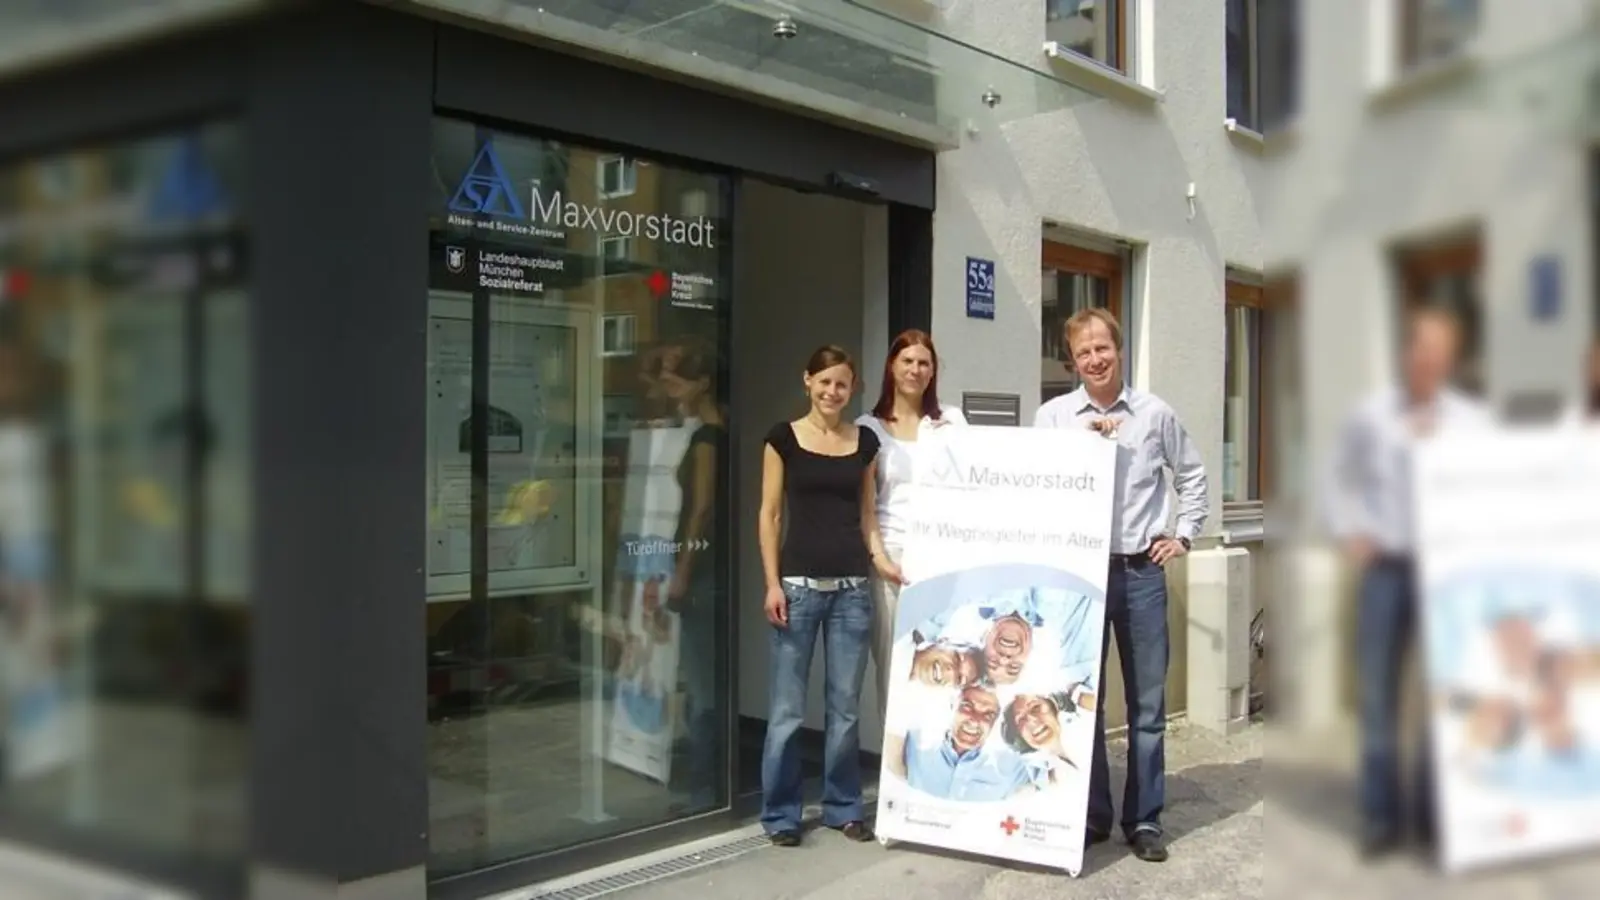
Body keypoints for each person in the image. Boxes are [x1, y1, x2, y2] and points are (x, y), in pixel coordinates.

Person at [1033, 307, 1209, 864]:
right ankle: (1090, 817)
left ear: (1119, 349)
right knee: (1083, 703)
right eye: (1083, 352)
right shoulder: (1055, 417)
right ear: (1072, 361)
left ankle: (1145, 820)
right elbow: (1034, 482)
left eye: (1102, 348)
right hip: (1079, 575)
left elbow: (1193, 475)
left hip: (1140, 574)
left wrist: (1183, 535)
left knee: (1148, 706)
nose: (1095, 359)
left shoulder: (1154, 415)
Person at [1325, 305, 1488, 859]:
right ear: (1408, 353)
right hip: (1387, 571)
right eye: (1424, 351)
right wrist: (1351, 531)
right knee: (1378, 696)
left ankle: (1433, 815)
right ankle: (1379, 816)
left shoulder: (1470, 421)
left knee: (1447, 697)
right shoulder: (1373, 415)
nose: (1431, 362)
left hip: (1448, 575)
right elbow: (1337, 475)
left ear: (1450, 360)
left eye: (1442, 354)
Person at [758, 345, 896, 847]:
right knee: (788, 712)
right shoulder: (782, 438)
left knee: (844, 709)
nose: (833, 391)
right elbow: (770, 514)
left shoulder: (864, 442)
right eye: (825, 382)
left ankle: (842, 807)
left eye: (842, 384)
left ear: (852, 388)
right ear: (807, 381)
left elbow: (867, 514)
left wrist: (882, 561)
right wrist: (772, 582)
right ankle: (781, 815)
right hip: (796, 590)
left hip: (852, 592)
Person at [856, 329, 964, 720]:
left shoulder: (951, 421)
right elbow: (866, 505)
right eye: (907, 361)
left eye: (924, 362)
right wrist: (880, 558)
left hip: (943, 558)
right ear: (892, 366)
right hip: (892, 562)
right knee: (895, 669)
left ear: (933, 371)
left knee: (945, 666)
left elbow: (972, 485)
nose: (915, 370)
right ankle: (894, 773)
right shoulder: (868, 428)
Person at [658, 340, 726, 811]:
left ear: (701, 383)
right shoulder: (720, 429)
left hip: (702, 571)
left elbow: (700, 508)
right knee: (705, 675)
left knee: (701, 680)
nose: (668, 388)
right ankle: (710, 780)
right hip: (715, 568)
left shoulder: (708, 438)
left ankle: (705, 788)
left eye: (675, 379)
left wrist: (682, 571)